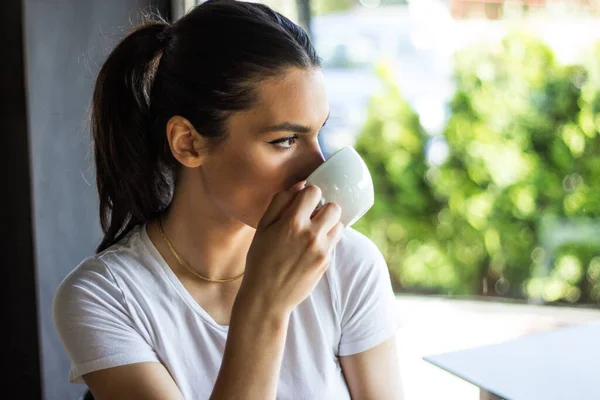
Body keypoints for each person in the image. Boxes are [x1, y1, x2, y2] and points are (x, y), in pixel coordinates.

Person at [52, 0, 402, 398]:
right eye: (285, 140)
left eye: (317, 133)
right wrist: (265, 305)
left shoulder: (348, 265)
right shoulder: (106, 298)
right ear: (188, 143)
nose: (316, 167)